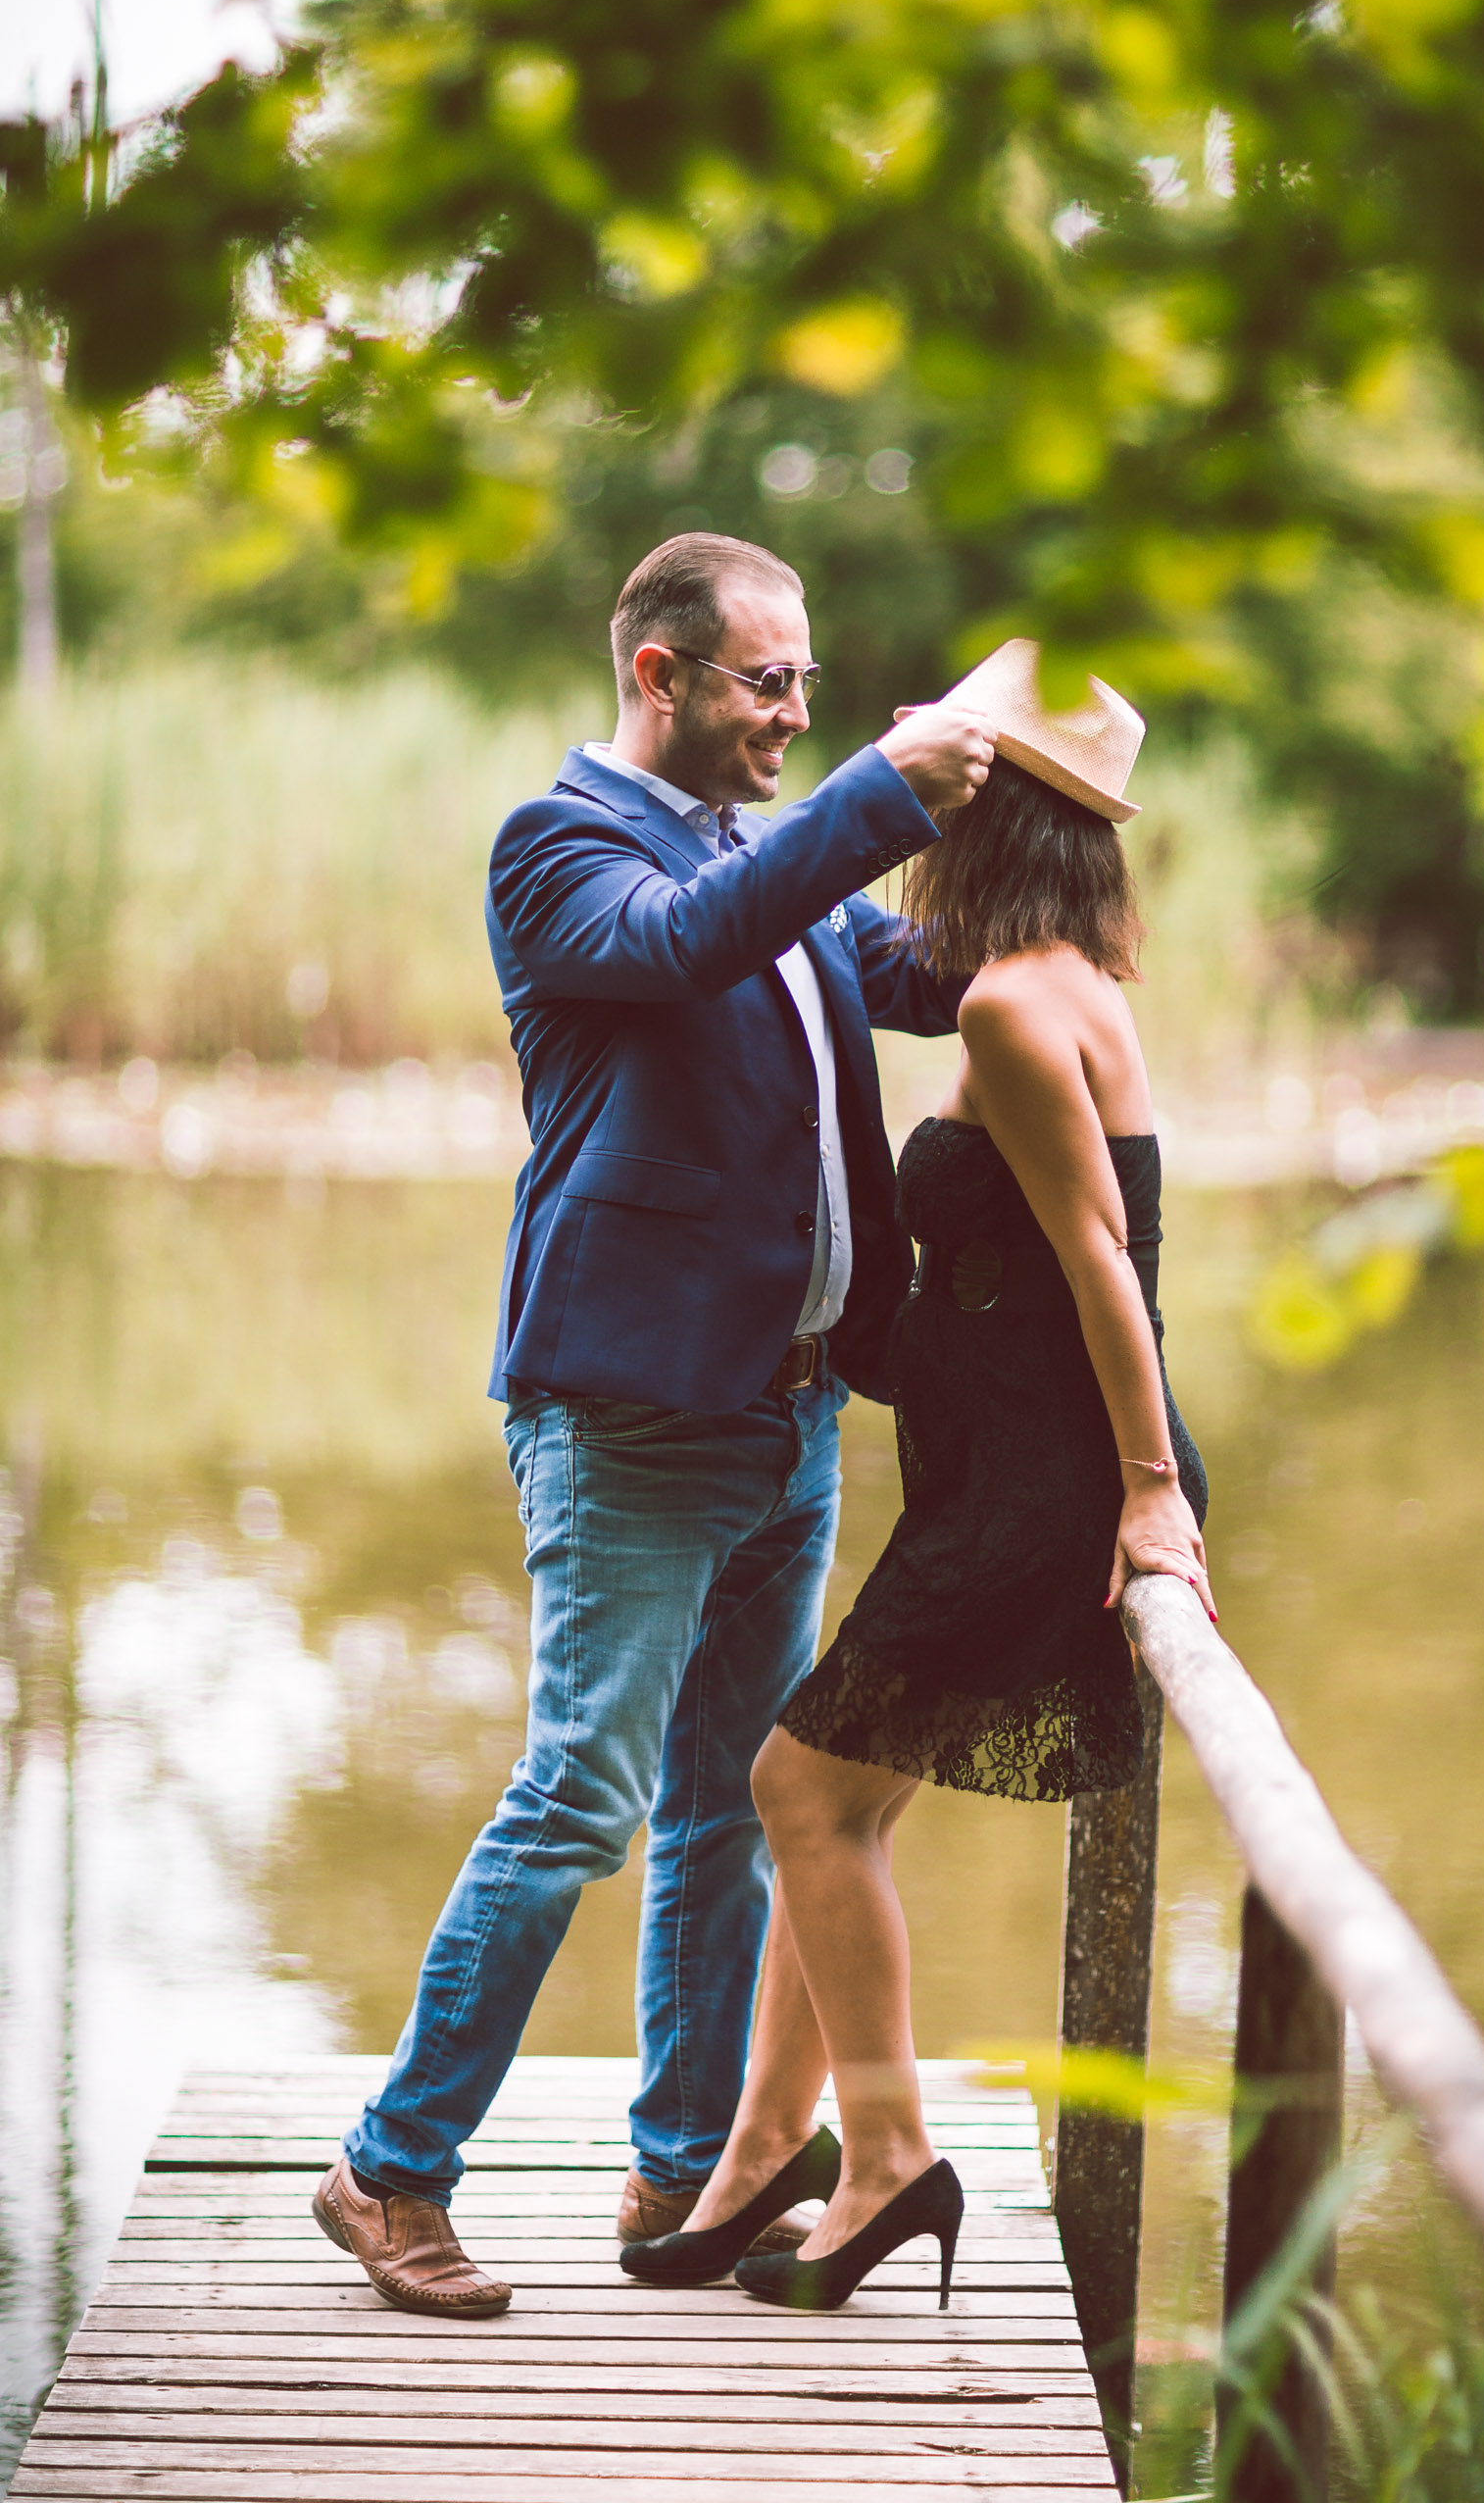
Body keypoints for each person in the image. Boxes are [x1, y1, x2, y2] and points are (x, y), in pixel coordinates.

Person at [313, 531, 994, 2317]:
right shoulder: (565, 847)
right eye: (768, 679)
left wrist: (1021, 821)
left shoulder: (772, 853)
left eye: (809, 684)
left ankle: (683, 2171)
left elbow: (920, 978)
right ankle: (389, 2175)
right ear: (661, 676)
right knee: (581, 1798)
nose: (795, 708)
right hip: (628, 1417)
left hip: (790, 1415)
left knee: (722, 1810)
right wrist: (874, 796)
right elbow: (686, 952)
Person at [618, 636, 1213, 2312]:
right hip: (998, 1477)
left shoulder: (1024, 1009)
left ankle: (882, 2165)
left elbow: (1107, 1259)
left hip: (1041, 1488)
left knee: (802, 1791)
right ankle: (760, 2156)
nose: (918, 792)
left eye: (949, 772)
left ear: (993, 809)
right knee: (845, 1798)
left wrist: (1150, 1484)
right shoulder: (1038, 980)